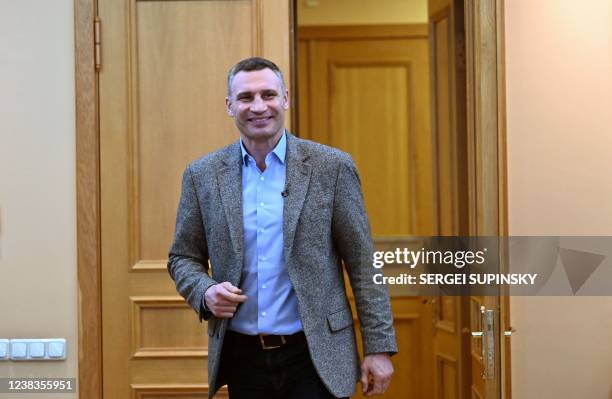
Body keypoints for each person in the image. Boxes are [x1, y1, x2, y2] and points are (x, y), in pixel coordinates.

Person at [168, 57, 397, 399]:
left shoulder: (331, 168)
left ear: (285, 99)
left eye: (268, 95)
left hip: (314, 355)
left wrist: (379, 347)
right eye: (246, 98)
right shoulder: (203, 175)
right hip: (241, 357)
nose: (258, 107)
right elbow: (182, 257)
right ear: (230, 106)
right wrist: (204, 292)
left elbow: (364, 265)